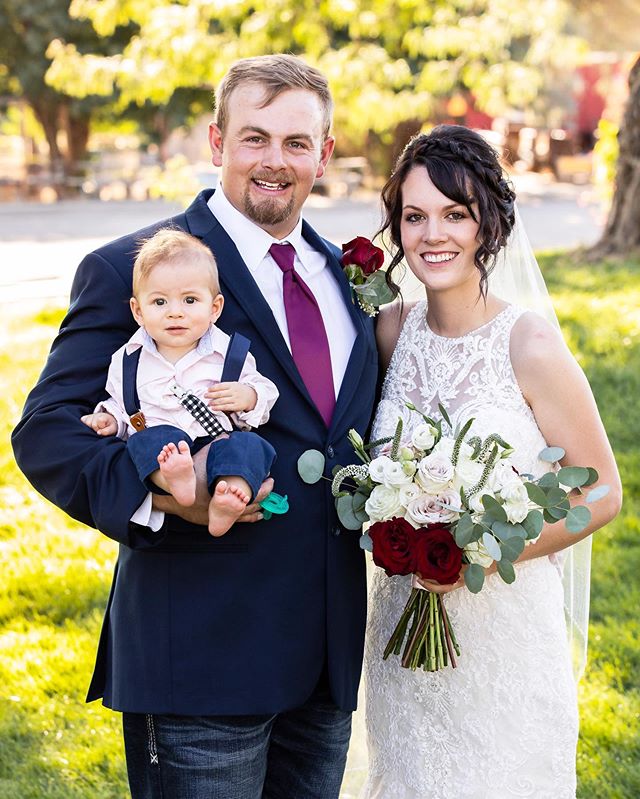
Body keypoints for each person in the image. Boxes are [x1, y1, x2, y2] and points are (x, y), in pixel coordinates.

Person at [12, 54, 378, 799]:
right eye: (254, 138)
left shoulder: (346, 276)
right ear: (216, 143)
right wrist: (164, 495)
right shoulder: (136, 271)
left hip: (327, 654)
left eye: (296, 143)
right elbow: (47, 430)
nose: (274, 161)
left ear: (325, 154)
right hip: (199, 650)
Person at [363, 125, 622, 799]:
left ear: (488, 222)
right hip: (401, 641)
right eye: (414, 216)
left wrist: (474, 551)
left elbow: (602, 492)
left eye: (454, 213)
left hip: (503, 643)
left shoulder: (528, 341)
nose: (432, 234)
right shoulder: (390, 332)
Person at [80, 227, 279, 537]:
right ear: (138, 311)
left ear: (214, 308)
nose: (175, 313)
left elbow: (266, 391)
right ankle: (175, 480)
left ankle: (228, 497)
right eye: (159, 303)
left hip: (218, 442)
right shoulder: (128, 359)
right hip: (166, 449)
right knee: (144, 440)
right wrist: (109, 419)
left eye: (189, 300)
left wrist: (249, 396)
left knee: (251, 447)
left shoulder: (230, 354)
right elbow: (121, 405)